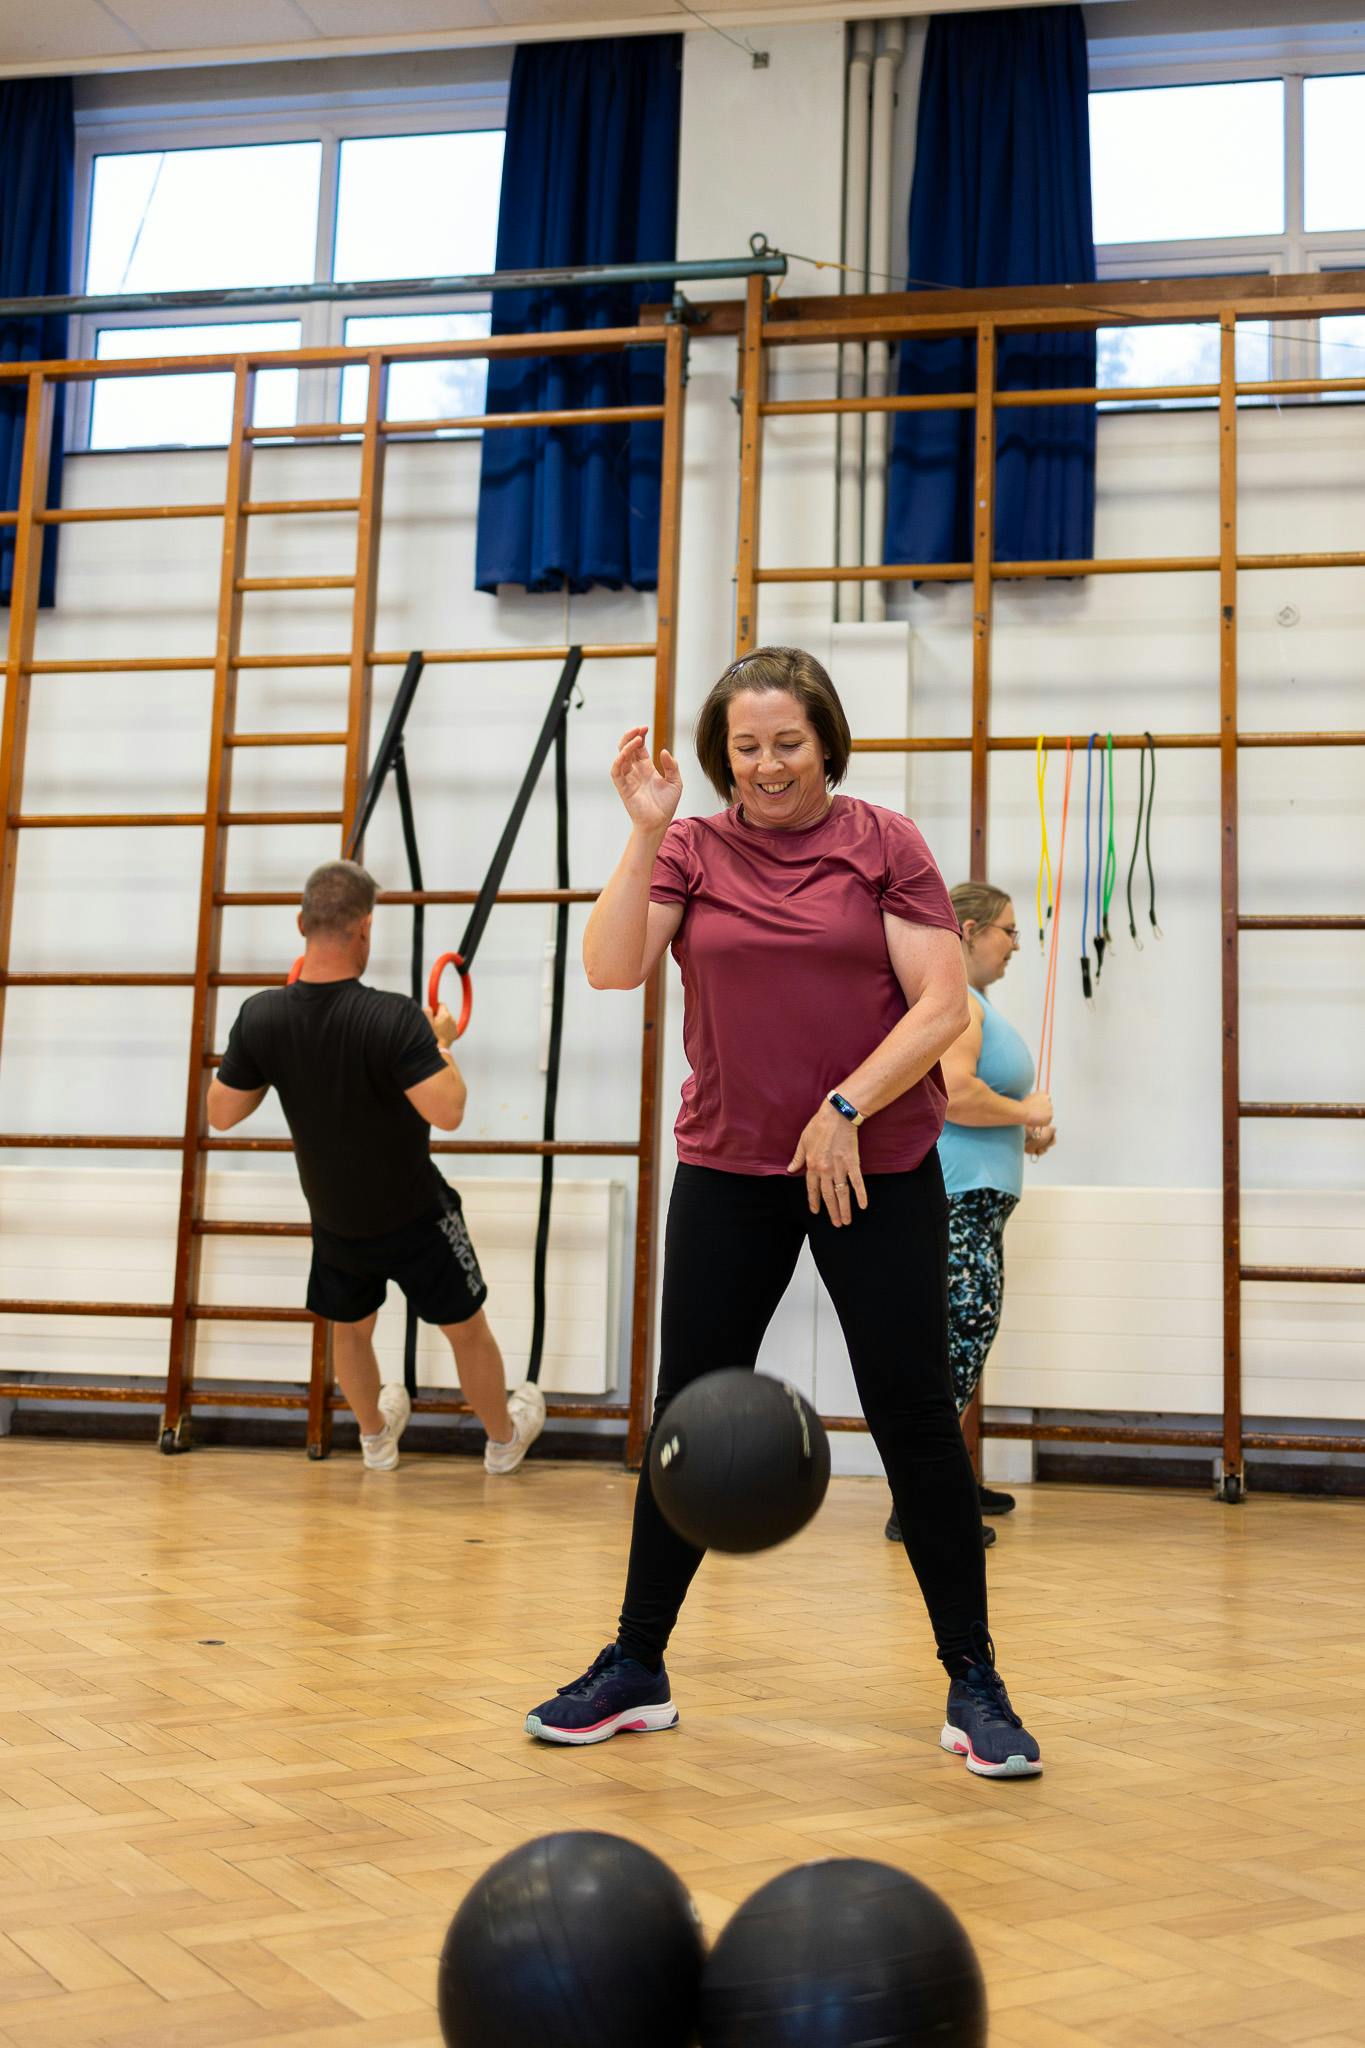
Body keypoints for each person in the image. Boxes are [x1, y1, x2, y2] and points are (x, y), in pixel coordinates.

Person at [524, 647, 1042, 1779]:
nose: (766, 766)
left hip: (873, 1164)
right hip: (729, 1165)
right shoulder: (695, 848)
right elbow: (613, 968)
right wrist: (645, 826)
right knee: (686, 1414)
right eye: (745, 747)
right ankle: (637, 1663)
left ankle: (976, 1679)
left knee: (912, 1415)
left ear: (825, 740)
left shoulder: (885, 843)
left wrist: (846, 1104)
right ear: (722, 755)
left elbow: (941, 1004)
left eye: (787, 743)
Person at [207, 859, 545, 1475]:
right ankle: (501, 1442)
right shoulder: (395, 1020)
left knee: (351, 1330)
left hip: (337, 1219)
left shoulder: (262, 1017)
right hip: (415, 1213)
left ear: (300, 922)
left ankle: (374, 1439)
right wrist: (438, 1041)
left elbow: (221, 1112)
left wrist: (274, 1059)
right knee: (466, 1329)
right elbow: (449, 1111)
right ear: (364, 928)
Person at [884, 881, 1055, 1548]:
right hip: (958, 1198)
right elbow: (956, 1095)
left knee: (965, 1341)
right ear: (965, 930)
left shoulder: (973, 1005)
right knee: (956, 1344)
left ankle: (946, 1481)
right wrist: (1027, 1113)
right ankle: (920, 1502)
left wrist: (1020, 1129)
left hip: (976, 1201)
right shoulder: (960, 1007)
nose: (1015, 943)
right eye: (1006, 929)